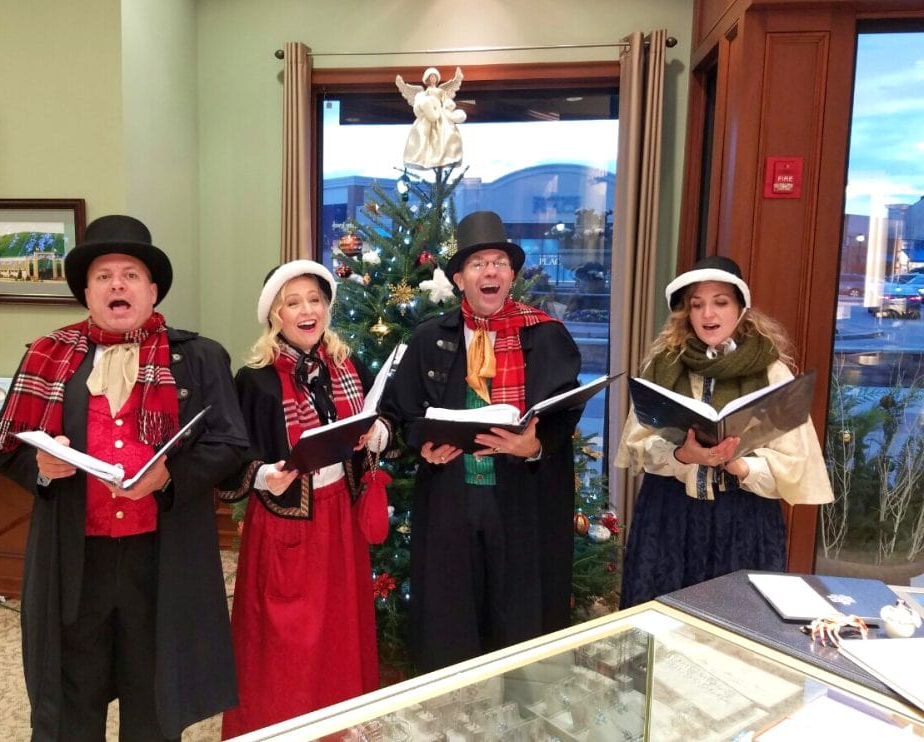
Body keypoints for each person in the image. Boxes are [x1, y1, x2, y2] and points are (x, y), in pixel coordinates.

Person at [0, 215, 249, 741]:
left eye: (130, 274)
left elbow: (230, 445)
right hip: (75, 555)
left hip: (161, 556)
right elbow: (5, 449)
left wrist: (168, 477)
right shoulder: (48, 354)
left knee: (151, 692)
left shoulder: (198, 357)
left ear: (152, 290)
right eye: (104, 276)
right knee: (71, 691)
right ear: (87, 291)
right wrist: (40, 465)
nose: (117, 285)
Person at [384, 210, 583, 672]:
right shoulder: (429, 338)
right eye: (477, 264)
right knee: (451, 616)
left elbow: (565, 413)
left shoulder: (547, 336)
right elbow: (401, 413)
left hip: (521, 501)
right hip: (452, 498)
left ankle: (523, 706)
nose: (489, 271)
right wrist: (423, 444)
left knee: (521, 613)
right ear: (458, 279)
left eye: (498, 262)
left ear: (511, 274)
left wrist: (533, 446)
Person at [219, 260, 391, 737]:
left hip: (341, 517)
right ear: (274, 315)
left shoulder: (346, 366)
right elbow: (230, 457)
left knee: (339, 630)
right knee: (284, 638)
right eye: (292, 302)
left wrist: (375, 433)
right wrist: (261, 476)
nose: (307, 310)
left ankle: (337, 728)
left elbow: (373, 426)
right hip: (285, 524)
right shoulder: (254, 379)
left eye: (315, 299)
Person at [614, 256, 834, 608]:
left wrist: (742, 465)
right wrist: (681, 455)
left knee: (739, 624)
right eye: (697, 305)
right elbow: (636, 444)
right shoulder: (664, 365)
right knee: (663, 623)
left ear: (741, 308)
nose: (708, 315)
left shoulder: (771, 370)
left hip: (743, 520)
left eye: (720, 303)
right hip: (669, 516)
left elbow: (797, 460)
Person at [395, 66, 467, 170]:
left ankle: (445, 157)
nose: (433, 79)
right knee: (425, 136)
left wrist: (447, 106)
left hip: (441, 115)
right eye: (431, 77)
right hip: (429, 114)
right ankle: (424, 159)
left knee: (445, 136)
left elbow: (446, 100)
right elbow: (420, 102)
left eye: (434, 77)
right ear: (427, 79)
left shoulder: (441, 91)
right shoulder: (423, 93)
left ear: (436, 79)